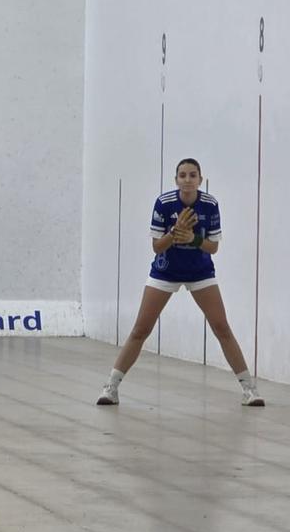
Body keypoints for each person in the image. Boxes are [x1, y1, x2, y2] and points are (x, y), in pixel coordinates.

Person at [97, 157, 263, 407]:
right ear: (176, 180)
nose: (187, 180)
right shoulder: (164, 204)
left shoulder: (210, 204)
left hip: (200, 272)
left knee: (222, 327)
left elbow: (213, 247)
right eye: (183, 175)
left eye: (192, 175)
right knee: (141, 329)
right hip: (165, 272)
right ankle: (111, 388)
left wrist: (193, 239)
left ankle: (249, 389)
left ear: (200, 179)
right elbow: (156, 246)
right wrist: (175, 234)